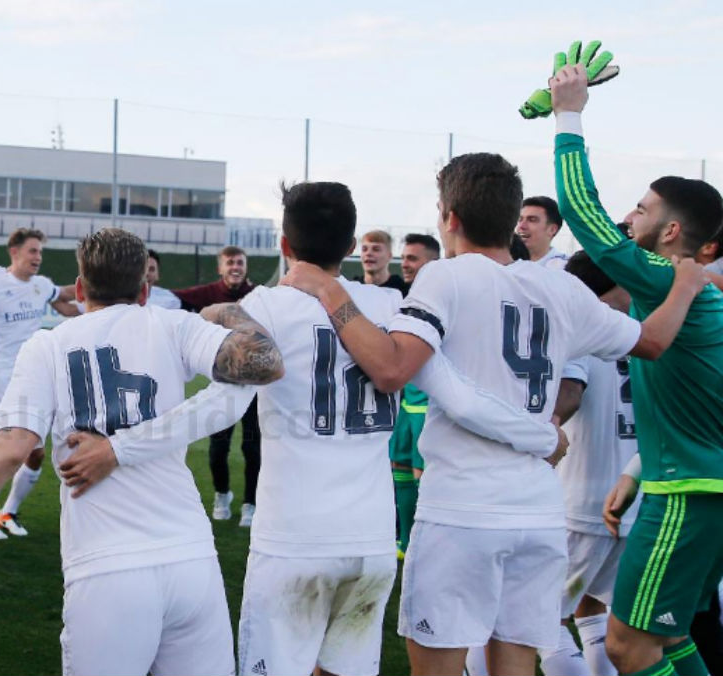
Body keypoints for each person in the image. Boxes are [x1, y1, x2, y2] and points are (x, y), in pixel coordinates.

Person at [55, 182, 566, 676]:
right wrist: (542, 436)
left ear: (283, 244)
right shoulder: (393, 309)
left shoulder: (265, 308)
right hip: (370, 543)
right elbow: (455, 390)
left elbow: (220, 408)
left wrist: (119, 449)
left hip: (293, 542)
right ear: (349, 246)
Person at [278, 151, 704, 676]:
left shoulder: (447, 278)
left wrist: (328, 288)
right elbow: (654, 341)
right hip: (539, 512)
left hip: (463, 510)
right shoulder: (562, 287)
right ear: (510, 217)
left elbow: (391, 369)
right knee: (516, 666)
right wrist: (685, 285)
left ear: (450, 218)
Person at [0, 227, 284, 675]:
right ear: (145, 289)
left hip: (106, 567)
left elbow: (11, 448)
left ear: (81, 288)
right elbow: (262, 364)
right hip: (191, 560)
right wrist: (233, 313)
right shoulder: (172, 324)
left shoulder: (48, 345)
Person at [550, 63, 723, 676]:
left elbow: (585, 217)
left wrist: (568, 114)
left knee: (627, 647)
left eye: (643, 208)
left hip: (685, 494)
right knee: (668, 642)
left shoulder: (672, 277)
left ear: (671, 231)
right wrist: (638, 466)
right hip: (689, 485)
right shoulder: (697, 292)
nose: (631, 217)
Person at [536, 251, 640, 676]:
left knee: (538, 622)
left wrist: (541, 430)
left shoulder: (583, 326)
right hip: (633, 499)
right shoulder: (637, 332)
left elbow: (570, 393)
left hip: (581, 501)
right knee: (598, 610)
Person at [0, 227, 79, 539]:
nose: (38, 257)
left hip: (34, 376)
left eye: (40, 252)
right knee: (7, 451)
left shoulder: (41, 286)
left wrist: (98, 294)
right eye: (32, 251)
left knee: (35, 452)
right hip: (1, 378)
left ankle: (9, 511)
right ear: (14, 252)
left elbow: (68, 305)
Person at [173, 245, 261, 525]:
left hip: (255, 384)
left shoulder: (260, 295)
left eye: (239, 262)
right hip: (222, 382)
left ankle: (250, 503)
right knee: (218, 448)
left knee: (253, 447)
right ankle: (222, 494)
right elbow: (171, 300)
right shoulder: (208, 294)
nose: (235, 267)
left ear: (246, 266)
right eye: (230, 262)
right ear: (220, 268)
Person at [388, 233, 441, 556]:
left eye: (413, 258)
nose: (405, 264)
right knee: (400, 470)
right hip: (404, 404)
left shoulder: (440, 300)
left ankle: (429, 548)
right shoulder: (402, 298)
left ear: (433, 263)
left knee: (425, 479)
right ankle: (405, 543)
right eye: (404, 258)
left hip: (428, 407)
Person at [516, 196, 569, 268]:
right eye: (520, 219)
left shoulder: (564, 268)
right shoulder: (504, 265)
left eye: (532, 220)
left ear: (552, 229)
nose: (521, 226)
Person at [354, 230, 409, 295]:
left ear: (389, 256)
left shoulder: (404, 290)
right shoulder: (352, 289)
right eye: (364, 249)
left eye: (376, 249)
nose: (368, 253)